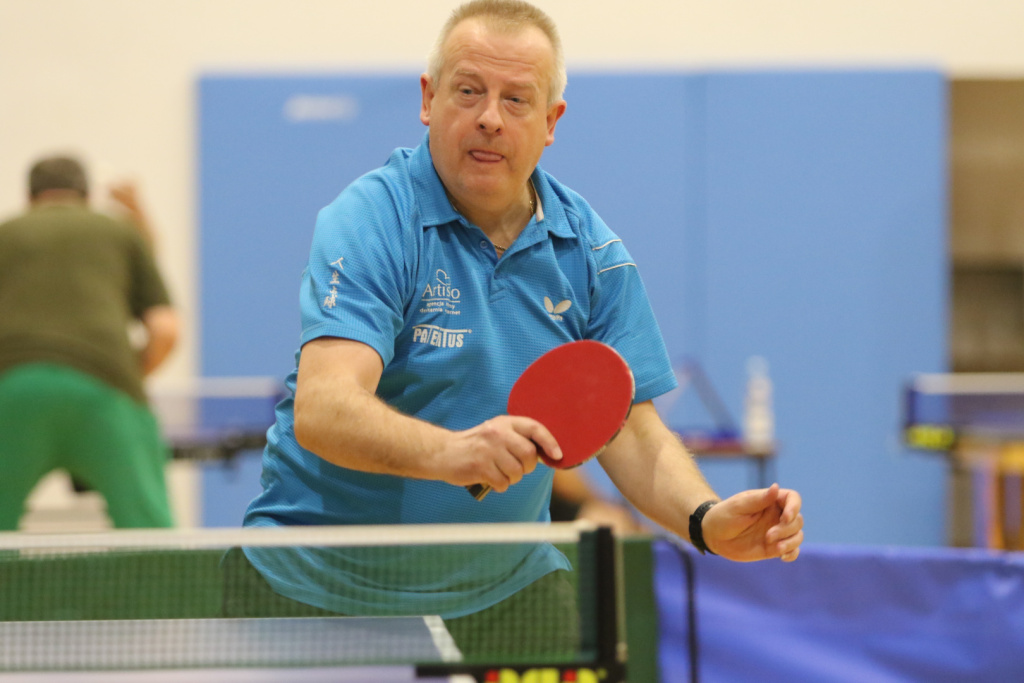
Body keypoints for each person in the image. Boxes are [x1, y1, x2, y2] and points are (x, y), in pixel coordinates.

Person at [231, 0, 803, 654]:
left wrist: (704, 518)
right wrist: (450, 453)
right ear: (428, 98)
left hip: (505, 592)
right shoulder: (372, 220)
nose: (489, 118)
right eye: (468, 91)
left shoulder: (590, 253)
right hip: (321, 589)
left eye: (516, 100)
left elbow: (626, 425)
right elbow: (324, 406)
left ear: (551, 121)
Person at [0, 155, 180, 530]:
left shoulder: (7, 233)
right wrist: (125, 376)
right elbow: (165, 330)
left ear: (30, 198)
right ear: (86, 195)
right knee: (152, 539)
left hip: (11, 388)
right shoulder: (120, 230)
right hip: (105, 388)